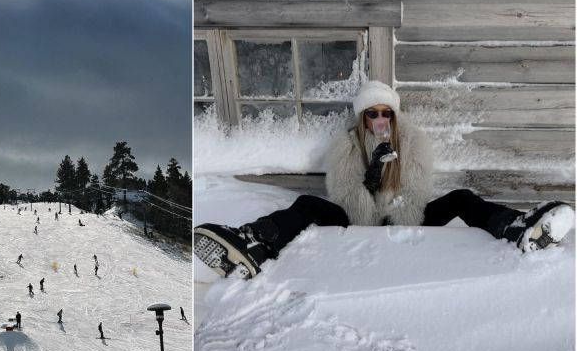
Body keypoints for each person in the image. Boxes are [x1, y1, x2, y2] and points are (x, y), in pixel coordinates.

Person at [194, 80, 576, 279]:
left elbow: (417, 193)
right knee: (306, 205)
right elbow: (346, 197)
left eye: (386, 114)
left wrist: (393, 198)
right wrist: (372, 177)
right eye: (372, 114)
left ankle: (515, 228)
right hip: (359, 215)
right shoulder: (346, 146)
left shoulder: (412, 142)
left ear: (394, 116)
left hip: (404, 214)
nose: (380, 121)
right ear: (363, 118)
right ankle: (254, 242)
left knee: (461, 197)